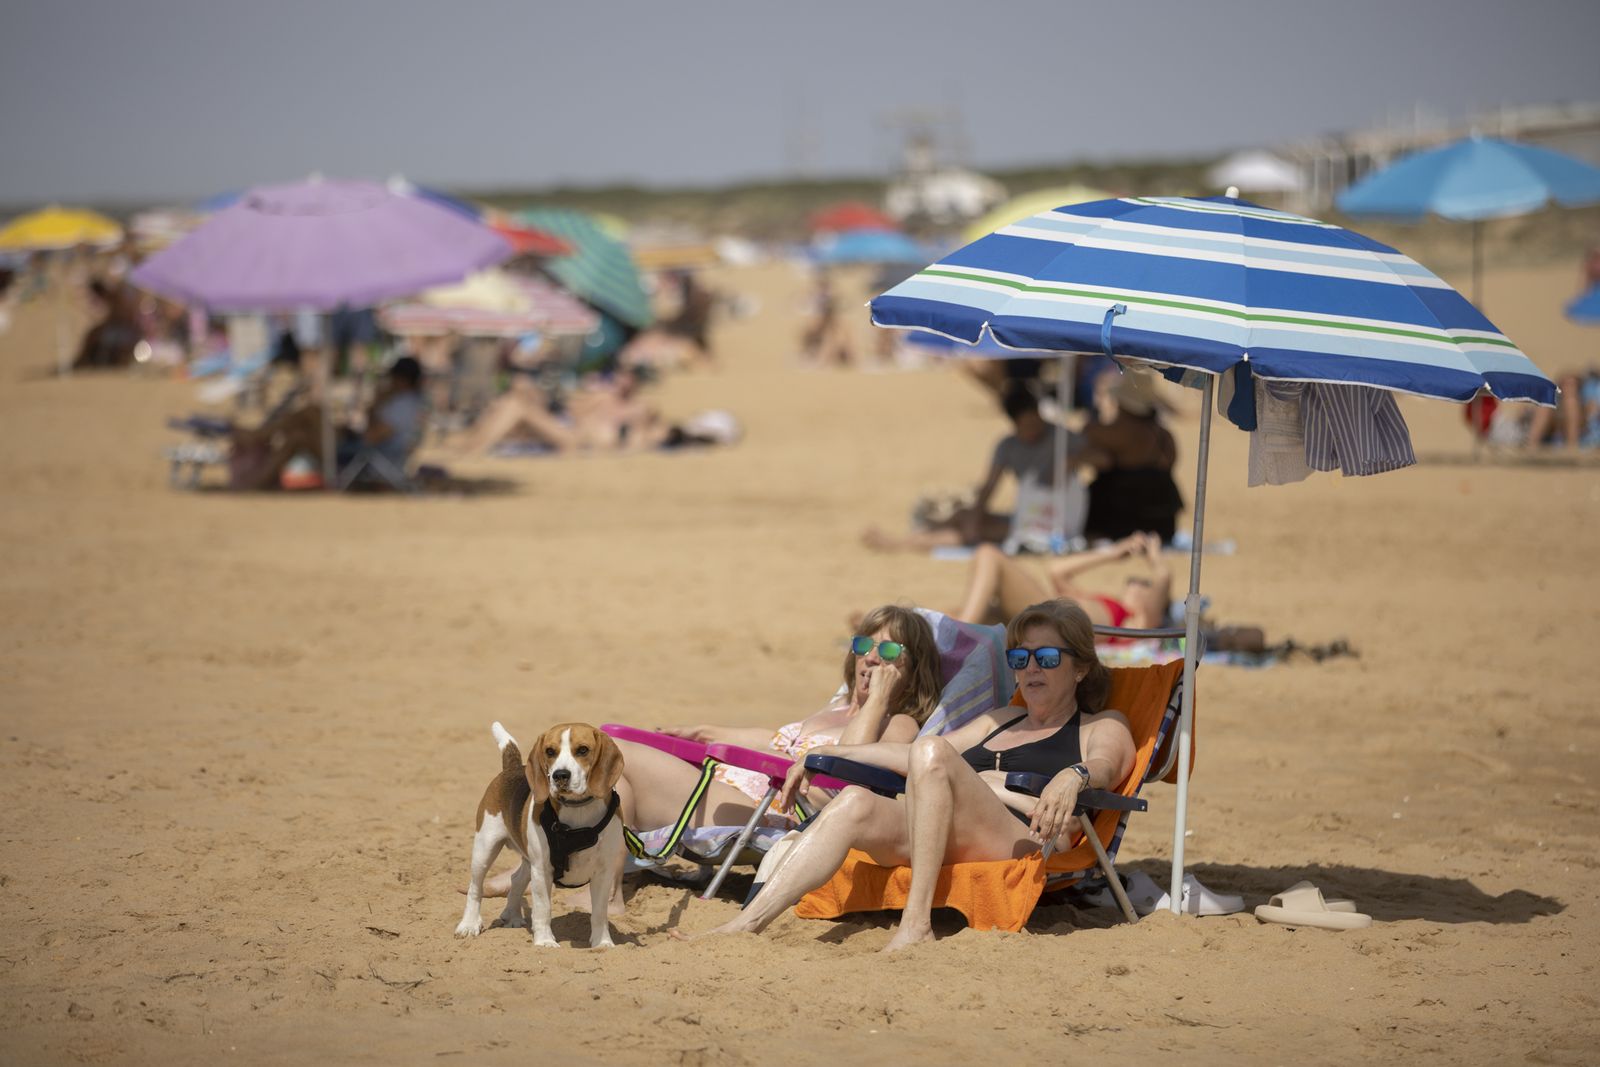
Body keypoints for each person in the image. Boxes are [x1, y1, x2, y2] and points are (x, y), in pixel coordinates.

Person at [695, 599, 1136, 952]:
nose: (1031, 668)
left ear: (1081, 667)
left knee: (933, 749)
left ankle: (916, 923)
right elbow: (913, 757)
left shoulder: (1100, 725)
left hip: (1024, 836)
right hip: (948, 825)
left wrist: (1073, 776)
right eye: (1020, 658)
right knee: (855, 802)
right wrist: (827, 751)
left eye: (1047, 657)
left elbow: (1106, 765)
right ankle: (746, 922)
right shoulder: (1002, 718)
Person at [476, 605, 946, 903]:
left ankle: (602, 890)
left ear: (914, 665)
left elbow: (845, 768)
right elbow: (776, 741)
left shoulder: (900, 722)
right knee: (612, 767)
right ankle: (539, 871)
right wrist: (706, 734)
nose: (871, 658)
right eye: (864, 645)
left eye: (888, 650)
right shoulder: (836, 709)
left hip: (782, 810)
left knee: (615, 759)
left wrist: (880, 698)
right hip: (741, 788)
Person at [863, 383, 1080, 553]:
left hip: (1051, 523)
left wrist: (1071, 462)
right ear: (1014, 424)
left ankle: (901, 543)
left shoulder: (1061, 439)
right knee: (966, 518)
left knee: (968, 532)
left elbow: (1096, 454)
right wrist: (975, 515)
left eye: (1035, 423)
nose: (1032, 430)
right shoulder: (1008, 445)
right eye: (1026, 426)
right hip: (1026, 516)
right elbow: (989, 487)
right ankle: (914, 535)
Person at [948, 532, 1170, 633]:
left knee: (989, 554)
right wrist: (1112, 553)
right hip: (1048, 615)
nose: (1134, 584)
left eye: (1144, 584)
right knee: (955, 613)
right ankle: (956, 633)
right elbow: (1056, 570)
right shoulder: (1103, 602)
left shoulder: (1139, 621)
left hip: (1053, 622)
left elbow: (1164, 577)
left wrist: (1154, 555)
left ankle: (960, 636)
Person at [1080, 370, 1184, 543]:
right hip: (1162, 516)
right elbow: (1170, 463)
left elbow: (1085, 433)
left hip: (1122, 517)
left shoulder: (1116, 432)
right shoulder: (1163, 434)